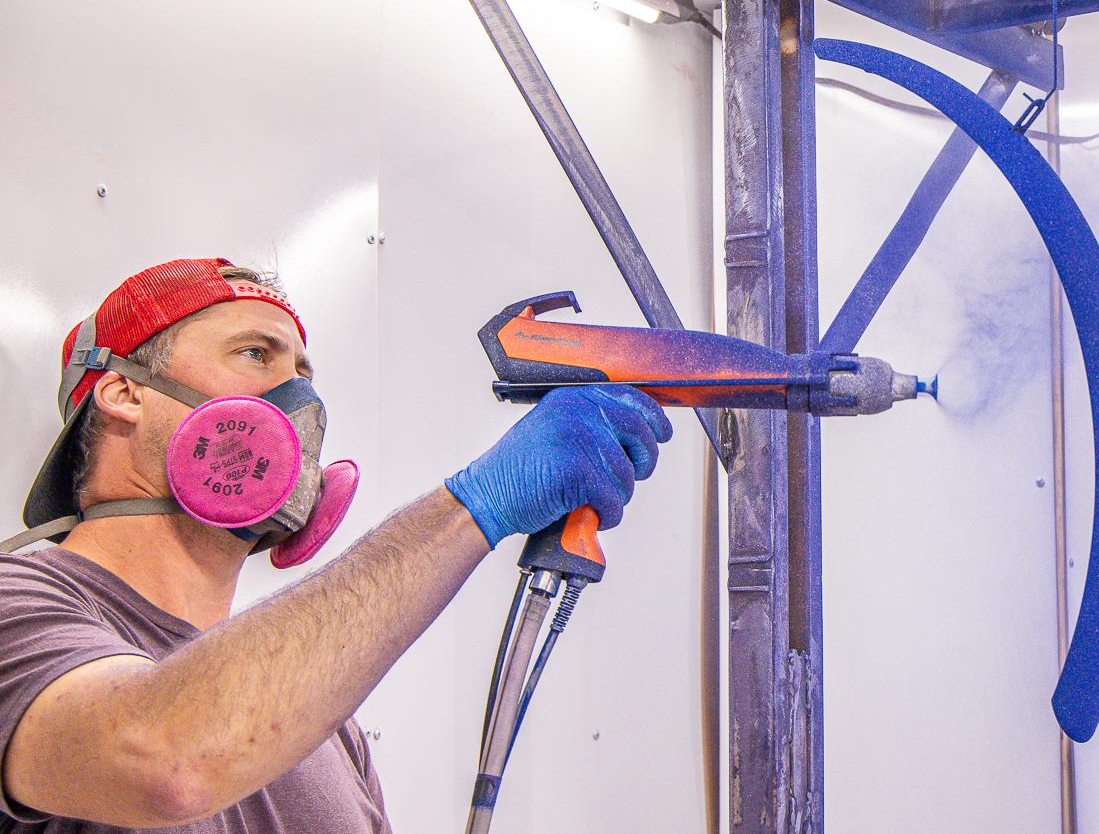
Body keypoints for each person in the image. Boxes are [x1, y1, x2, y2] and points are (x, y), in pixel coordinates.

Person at [0, 258, 672, 832]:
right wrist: (474, 505)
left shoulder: (319, 726)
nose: (299, 401)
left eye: (304, 372)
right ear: (122, 392)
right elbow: (166, 760)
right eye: (254, 353)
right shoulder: (20, 603)